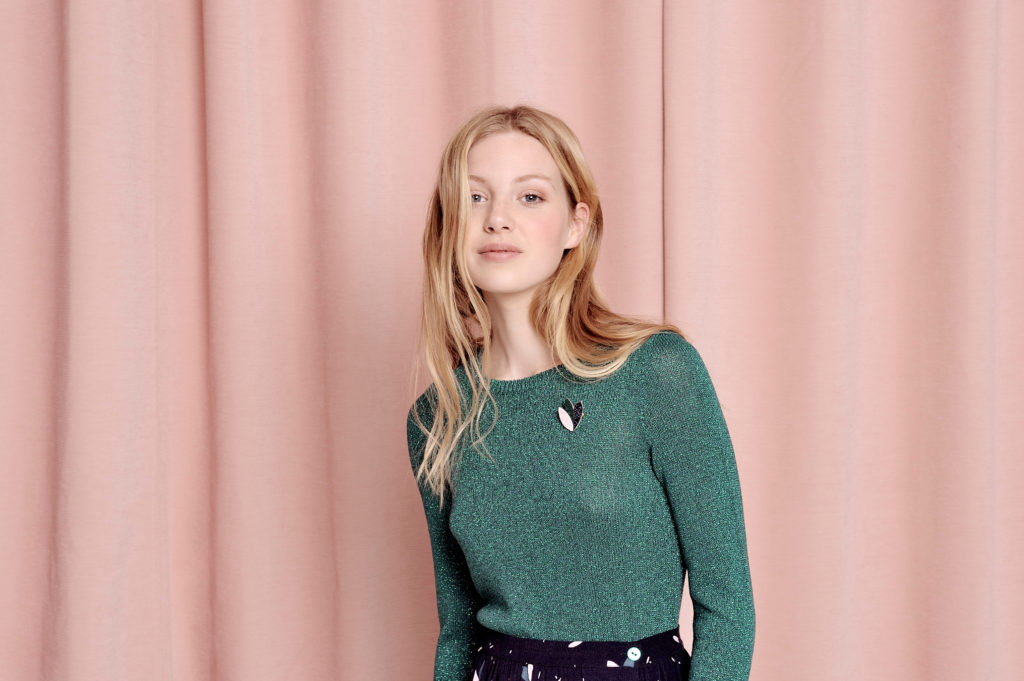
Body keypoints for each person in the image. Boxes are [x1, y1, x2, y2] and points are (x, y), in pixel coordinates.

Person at [406, 104, 755, 681]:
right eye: (474, 197)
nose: (497, 219)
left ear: (576, 224)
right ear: (447, 226)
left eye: (531, 197)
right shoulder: (435, 419)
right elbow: (458, 627)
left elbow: (728, 606)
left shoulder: (656, 374)